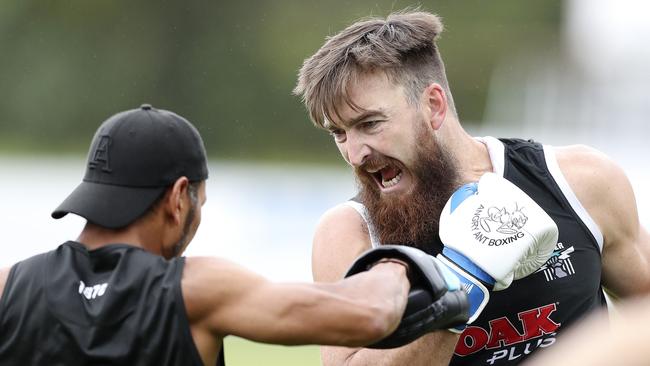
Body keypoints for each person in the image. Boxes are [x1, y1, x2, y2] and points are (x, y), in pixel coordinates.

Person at [293, 10, 650, 366]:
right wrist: (459, 289)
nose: (354, 154)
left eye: (370, 124)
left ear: (433, 106)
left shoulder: (578, 182)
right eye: (338, 133)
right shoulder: (350, 234)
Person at [0, 104, 469, 365]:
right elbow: (368, 314)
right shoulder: (195, 290)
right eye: (199, 203)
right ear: (179, 197)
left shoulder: (8, 287)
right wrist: (406, 264)